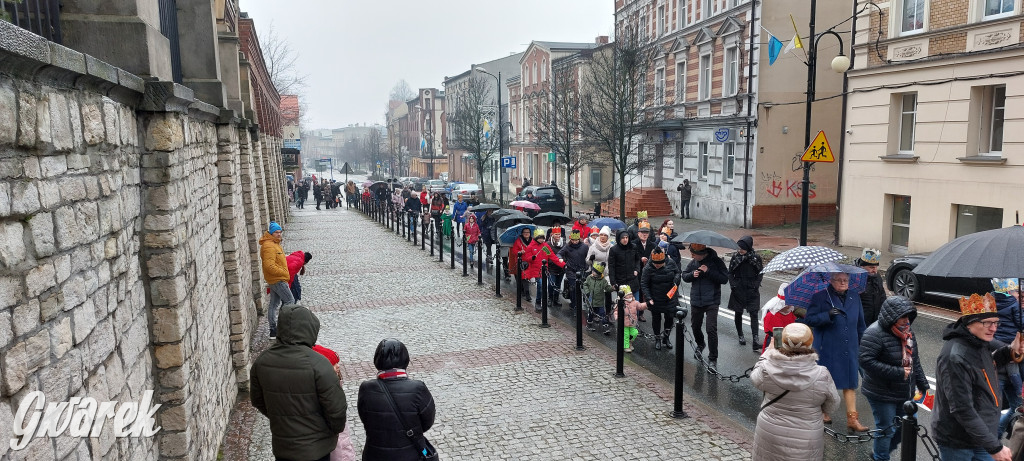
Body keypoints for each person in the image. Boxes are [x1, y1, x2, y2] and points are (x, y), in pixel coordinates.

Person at [250, 304, 348, 461]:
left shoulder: (262, 362)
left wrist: (281, 418)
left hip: (284, 448)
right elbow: (336, 410)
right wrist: (328, 430)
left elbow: (257, 400)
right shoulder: (320, 365)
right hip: (317, 450)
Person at [933, 293, 1024, 461]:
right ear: (969, 323)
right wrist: (995, 447)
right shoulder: (954, 356)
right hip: (958, 440)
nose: (994, 328)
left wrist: (1011, 350)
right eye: (987, 323)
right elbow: (962, 408)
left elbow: (988, 365)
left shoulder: (978, 342)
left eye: (996, 322)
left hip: (981, 434)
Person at [751, 323, 840, 461]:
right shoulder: (822, 374)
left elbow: (755, 379)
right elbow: (833, 404)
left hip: (770, 431)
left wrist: (769, 351)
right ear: (810, 343)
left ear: (783, 343)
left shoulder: (766, 368)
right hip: (807, 435)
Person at [858, 296, 930, 461]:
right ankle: (881, 457)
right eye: (903, 317)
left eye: (908, 316)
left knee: (906, 428)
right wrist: (898, 372)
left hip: (904, 391)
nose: (906, 321)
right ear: (891, 316)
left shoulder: (908, 333)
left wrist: (922, 383)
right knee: (886, 429)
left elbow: (914, 361)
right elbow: (866, 361)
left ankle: (879, 453)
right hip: (881, 392)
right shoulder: (874, 333)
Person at [801, 272, 869, 431]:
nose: (843, 282)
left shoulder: (854, 297)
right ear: (831, 281)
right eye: (839, 280)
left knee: (851, 383)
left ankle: (852, 419)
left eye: (846, 280)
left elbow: (860, 323)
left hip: (850, 347)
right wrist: (827, 315)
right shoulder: (820, 297)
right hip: (828, 347)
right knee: (825, 381)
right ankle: (823, 412)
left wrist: (864, 342)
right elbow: (810, 320)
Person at [358, 338, 437, 461]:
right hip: (410, 454)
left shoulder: (366, 388)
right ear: (405, 359)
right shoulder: (418, 388)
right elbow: (428, 421)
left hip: (375, 454)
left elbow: (366, 419)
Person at [681, 243, 728, 369]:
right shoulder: (693, 263)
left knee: (711, 329)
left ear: (702, 254)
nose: (692, 256)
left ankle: (713, 358)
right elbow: (684, 275)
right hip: (696, 300)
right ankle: (700, 344)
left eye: (693, 254)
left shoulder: (716, 262)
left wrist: (708, 272)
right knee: (695, 326)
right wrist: (692, 275)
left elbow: (724, 279)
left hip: (712, 300)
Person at [312, 345, 357, 461]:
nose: (338, 366)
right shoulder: (327, 390)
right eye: (334, 363)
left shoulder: (332, 385)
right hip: (336, 447)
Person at [991, 278, 1023, 438]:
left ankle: (995, 437)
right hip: (1006, 360)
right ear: (1009, 291)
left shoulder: (992, 302)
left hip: (1004, 354)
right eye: (1017, 291)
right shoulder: (1013, 305)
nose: (1019, 294)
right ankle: (993, 440)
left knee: (1017, 405)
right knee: (995, 408)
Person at [640, 248, 681, 350]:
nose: (657, 266)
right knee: (656, 318)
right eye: (655, 264)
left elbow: (677, 272)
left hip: (670, 297)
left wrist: (676, 279)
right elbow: (644, 284)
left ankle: (666, 337)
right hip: (655, 297)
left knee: (669, 318)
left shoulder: (671, 262)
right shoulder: (648, 268)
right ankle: (657, 338)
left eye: (659, 264)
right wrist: (648, 298)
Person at [728, 235, 764, 351]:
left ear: (748, 247)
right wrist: (733, 285)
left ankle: (755, 340)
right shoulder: (735, 257)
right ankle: (740, 335)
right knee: (738, 312)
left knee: (754, 313)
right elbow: (730, 272)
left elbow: (760, 272)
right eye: (738, 248)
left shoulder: (755, 258)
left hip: (752, 289)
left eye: (742, 248)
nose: (740, 250)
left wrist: (756, 285)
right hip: (738, 289)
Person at [259, 222, 293, 339]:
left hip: (275, 278)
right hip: (278, 279)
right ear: (271, 233)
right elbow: (269, 266)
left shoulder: (274, 244)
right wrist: (284, 272)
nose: (279, 234)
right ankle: (283, 327)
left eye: (280, 232)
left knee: (274, 304)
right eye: (276, 232)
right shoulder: (269, 246)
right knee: (290, 301)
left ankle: (273, 330)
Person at [523, 228, 566, 311]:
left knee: (543, 286)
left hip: (544, 270)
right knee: (540, 286)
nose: (542, 240)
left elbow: (553, 257)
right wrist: (532, 258)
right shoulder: (531, 246)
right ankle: (538, 302)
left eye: (543, 238)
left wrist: (563, 265)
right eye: (540, 238)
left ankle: (542, 301)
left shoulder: (545, 246)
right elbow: (526, 258)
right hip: (536, 270)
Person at [558, 229, 591, 311]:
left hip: (582, 270)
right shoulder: (567, 246)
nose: (574, 242)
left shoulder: (584, 247)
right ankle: (574, 303)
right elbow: (559, 253)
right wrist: (560, 258)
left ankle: (581, 302)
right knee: (573, 287)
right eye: (573, 240)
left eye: (576, 240)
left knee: (581, 288)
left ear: (579, 239)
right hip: (571, 270)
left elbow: (588, 257)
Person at [761, 283, 796, 354]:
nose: (789, 307)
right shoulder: (772, 315)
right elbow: (778, 341)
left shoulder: (789, 313)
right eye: (787, 305)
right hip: (775, 342)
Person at [583, 262, 615, 334]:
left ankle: (605, 326)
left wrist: (612, 288)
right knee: (591, 313)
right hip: (591, 301)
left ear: (598, 273)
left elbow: (607, 288)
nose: (592, 272)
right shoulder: (589, 278)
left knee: (602, 313)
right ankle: (589, 324)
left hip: (599, 301)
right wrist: (587, 292)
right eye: (593, 271)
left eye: (594, 271)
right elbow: (585, 284)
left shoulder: (603, 280)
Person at [857, 248, 885, 327]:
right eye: (871, 267)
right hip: (861, 322)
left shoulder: (877, 277)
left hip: (876, 321)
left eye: (876, 267)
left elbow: (882, 296)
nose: (875, 270)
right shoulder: (856, 279)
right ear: (862, 266)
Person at [615, 286, 646, 352]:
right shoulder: (621, 303)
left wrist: (647, 304)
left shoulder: (634, 302)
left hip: (632, 323)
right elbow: (616, 311)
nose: (630, 297)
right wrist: (617, 317)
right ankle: (626, 346)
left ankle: (630, 342)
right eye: (628, 296)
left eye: (630, 295)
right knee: (626, 335)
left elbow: (640, 306)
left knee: (635, 332)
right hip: (624, 323)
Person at [509, 226, 534, 302]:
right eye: (525, 232)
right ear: (522, 233)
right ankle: (527, 294)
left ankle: (523, 290)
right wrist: (519, 252)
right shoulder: (518, 241)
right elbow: (514, 250)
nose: (526, 234)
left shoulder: (532, 241)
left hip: (530, 262)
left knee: (527, 277)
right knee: (525, 277)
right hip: (522, 262)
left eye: (528, 232)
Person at [547, 228, 565, 307]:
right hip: (552, 267)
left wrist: (564, 261)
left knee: (558, 284)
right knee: (551, 284)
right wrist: (553, 261)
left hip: (561, 267)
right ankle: (550, 298)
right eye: (556, 234)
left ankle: (556, 299)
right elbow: (546, 254)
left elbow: (566, 253)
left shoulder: (564, 244)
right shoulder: (548, 244)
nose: (557, 236)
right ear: (552, 234)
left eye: (559, 234)